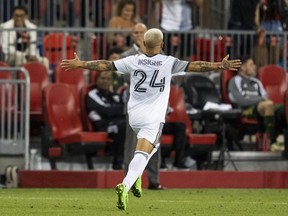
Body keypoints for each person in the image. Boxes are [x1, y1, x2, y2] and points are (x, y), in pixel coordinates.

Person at [61, 28, 241, 211]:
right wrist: (219, 66)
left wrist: (81, 63)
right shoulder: (169, 62)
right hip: (153, 116)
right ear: (162, 44)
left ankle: (137, 177)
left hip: (134, 115)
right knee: (146, 151)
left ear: (144, 44)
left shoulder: (133, 60)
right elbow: (197, 66)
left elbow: (106, 65)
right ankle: (126, 184)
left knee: (146, 148)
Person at [121, 22, 164, 190]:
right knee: (131, 147)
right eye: (136, 32)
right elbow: (126, 78)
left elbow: (166, 74)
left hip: (155, 109)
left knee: (153, 147)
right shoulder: (127, 55)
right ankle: (128, 182)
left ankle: (154, 180)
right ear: (132, 35)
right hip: (135, 110)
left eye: (142, 32)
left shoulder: (159, 54)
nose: (139, 35)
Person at [228, 56, 285, 152]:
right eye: (251, 64)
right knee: (268, 105)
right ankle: (272, 142)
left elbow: (266, 97)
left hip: (261, 107)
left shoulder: (256, 82)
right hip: (246, 110)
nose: (254, 66)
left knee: (284, 109)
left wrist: (251, 98)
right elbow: (241, 100)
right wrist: (259, 99)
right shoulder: (235, 81)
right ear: (242, 67)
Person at [86, 70, 126, 170]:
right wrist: (115, 110)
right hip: (102, 125)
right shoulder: (92, 94)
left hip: (114, 122)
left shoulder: (115, 95)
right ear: (97, 80)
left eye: (108, 79)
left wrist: (114, 111)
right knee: (122, 125)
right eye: (102, 78)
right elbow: (105, 111)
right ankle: (118, 162)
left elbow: (124, 109)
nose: (105, 81)